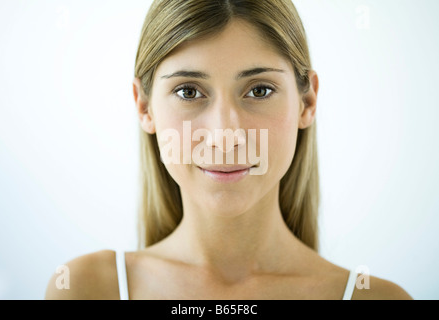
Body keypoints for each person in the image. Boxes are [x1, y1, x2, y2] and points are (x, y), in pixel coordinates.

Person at [45, 0, 412, 300]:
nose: (225, 134)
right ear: (144, 106)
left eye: (259, 90)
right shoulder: (86, 289)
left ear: (307, 101)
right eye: (189, 91)